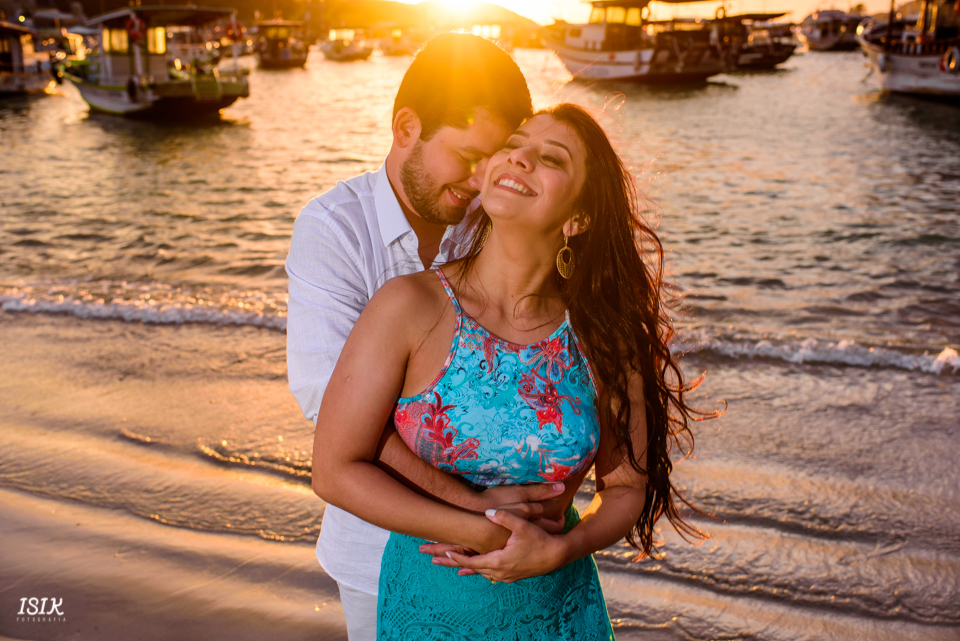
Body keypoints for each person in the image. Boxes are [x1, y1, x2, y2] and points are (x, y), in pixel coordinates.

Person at [312, 104, 708, 640]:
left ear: (579, 217)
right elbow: (335, 468)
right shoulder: (409, 306)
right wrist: (475, 527)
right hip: (431, 611)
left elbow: (623, 490)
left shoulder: (606, 336)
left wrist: (564, 548)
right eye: (516, 143)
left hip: (559, 611)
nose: (519, 156)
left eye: (549, 157)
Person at [286, 34, 568, 641]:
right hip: (376, 549)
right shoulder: (335, 228)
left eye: (494, 158)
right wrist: (474, 508)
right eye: (467, 155)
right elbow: (325, 401)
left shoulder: (490, 219)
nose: (478, 180)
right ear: (406, 127)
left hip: (514, 551)